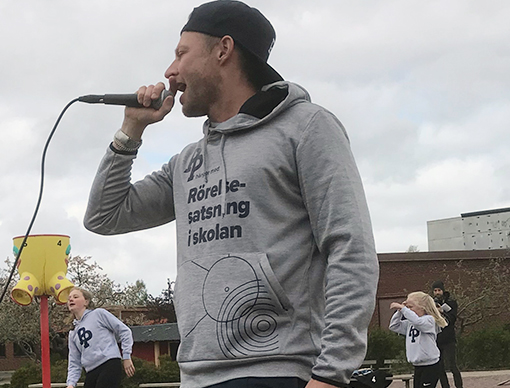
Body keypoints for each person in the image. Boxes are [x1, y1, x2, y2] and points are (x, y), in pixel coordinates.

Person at [83, 1, 379, 387]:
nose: (170, 72)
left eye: (181, 54)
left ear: (223, 49)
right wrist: (130, 132)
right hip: (197, 376)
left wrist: (331, 374)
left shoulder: (306, 128)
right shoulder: (186, 162)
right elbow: (104, 217)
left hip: (281, 370)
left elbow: (350, 248)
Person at [66, 287, 135, 388]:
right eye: (69, 298)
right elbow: (74, 361)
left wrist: (126, 356)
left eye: (75, 297)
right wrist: (71, 384)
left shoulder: (98, 314)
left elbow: (124, 331)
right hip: (91, 370)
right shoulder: (73, 333)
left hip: (109, 363)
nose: (71, 299)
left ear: (86, 301)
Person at [389, 292, 448, 388]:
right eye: (407, 307)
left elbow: (418, 322)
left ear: (422, 307)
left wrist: (404, 309)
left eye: (411, 307)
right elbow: (394, 326)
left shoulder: (429, 320)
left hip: (430, 366)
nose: (408, 310)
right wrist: (399, 311)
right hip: (418, 365)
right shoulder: (410, 323)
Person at [432, 280, 463, 388]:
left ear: (443, 291)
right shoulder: (431, 303)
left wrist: (442, 312)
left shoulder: (451, 302)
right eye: (435, 290)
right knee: (440, 367)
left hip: (449, 339)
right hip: (437, 339)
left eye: (439, 290)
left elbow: (452, 318)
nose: (437, 293)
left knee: (452, 365)